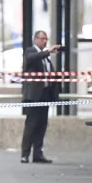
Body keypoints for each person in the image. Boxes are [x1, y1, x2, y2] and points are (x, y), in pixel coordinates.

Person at [21, 30, 61, 164]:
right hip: (34, 96)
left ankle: (37, 154)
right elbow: (32, 58)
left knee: (42, 125)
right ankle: (25, 154)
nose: (45, 41)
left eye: (46, 39)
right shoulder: (30, 51)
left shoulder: (46, 58)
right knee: (31, 124)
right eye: (42, 39)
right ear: (35, 39)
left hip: (45, 94)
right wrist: (48, 51)